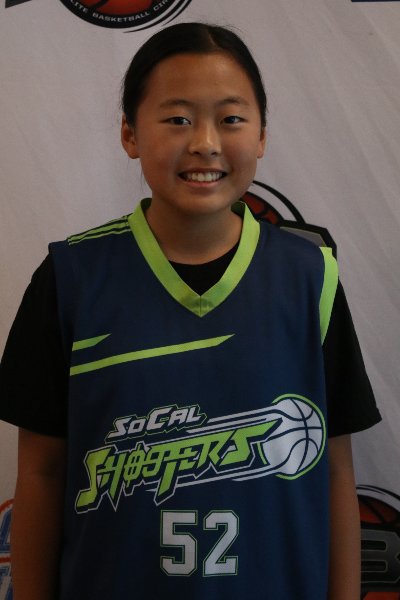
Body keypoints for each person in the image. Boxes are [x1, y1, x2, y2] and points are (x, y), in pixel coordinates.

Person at [0, 22, 381, 600]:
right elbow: (42, 471)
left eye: (231, 118)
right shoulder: (70, 278)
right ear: (129, 133)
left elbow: (334, 470)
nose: (205, 142)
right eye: (177, 119)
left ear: (261, 135)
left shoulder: (311, 278)